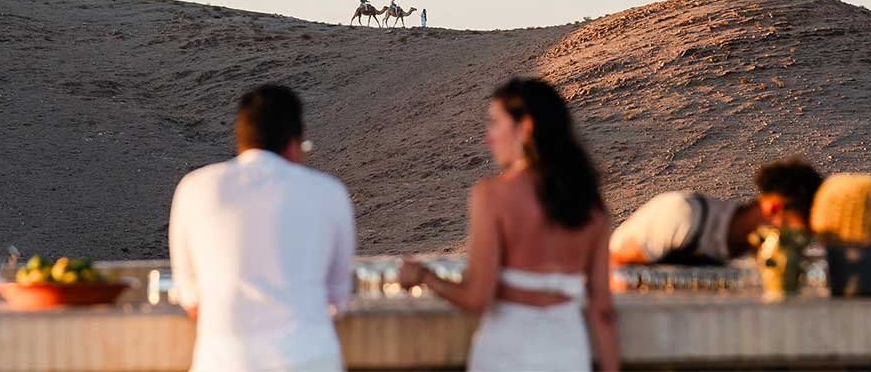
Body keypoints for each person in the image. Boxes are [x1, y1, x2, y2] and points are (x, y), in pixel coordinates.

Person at [398, 78, 619, 372]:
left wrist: (425, 276)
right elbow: (602, 311)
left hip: (505, 356)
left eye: (494, 123)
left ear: (524, 129)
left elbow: (477, 298)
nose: (488, 137)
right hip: (568, 355)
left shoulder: (492, 196)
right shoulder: (591, 205)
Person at [169, 85, 355, 372]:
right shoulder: (328, 192)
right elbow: (337, 297)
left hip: (226, 361)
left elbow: (191, 300)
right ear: (294, 142)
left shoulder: (195, 188)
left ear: (241, 139)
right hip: (310, 359)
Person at [609, 159, 823, 266]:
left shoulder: (753, 260)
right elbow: (614, 267)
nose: (798, 244)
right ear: (774, 207)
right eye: (798, 233)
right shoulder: (685, 215)